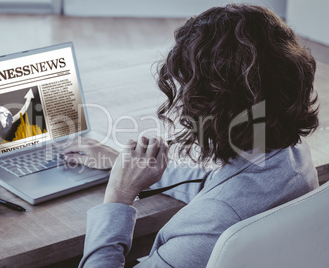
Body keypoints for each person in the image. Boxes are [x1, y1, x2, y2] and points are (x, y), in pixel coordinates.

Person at [62, 4, 319, 267]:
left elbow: (218, 207)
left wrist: (119, 194)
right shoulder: (293, 155)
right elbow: (218, 186)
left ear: (213, 104)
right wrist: (122, 164)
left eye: (187, 88)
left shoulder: (211, 227)